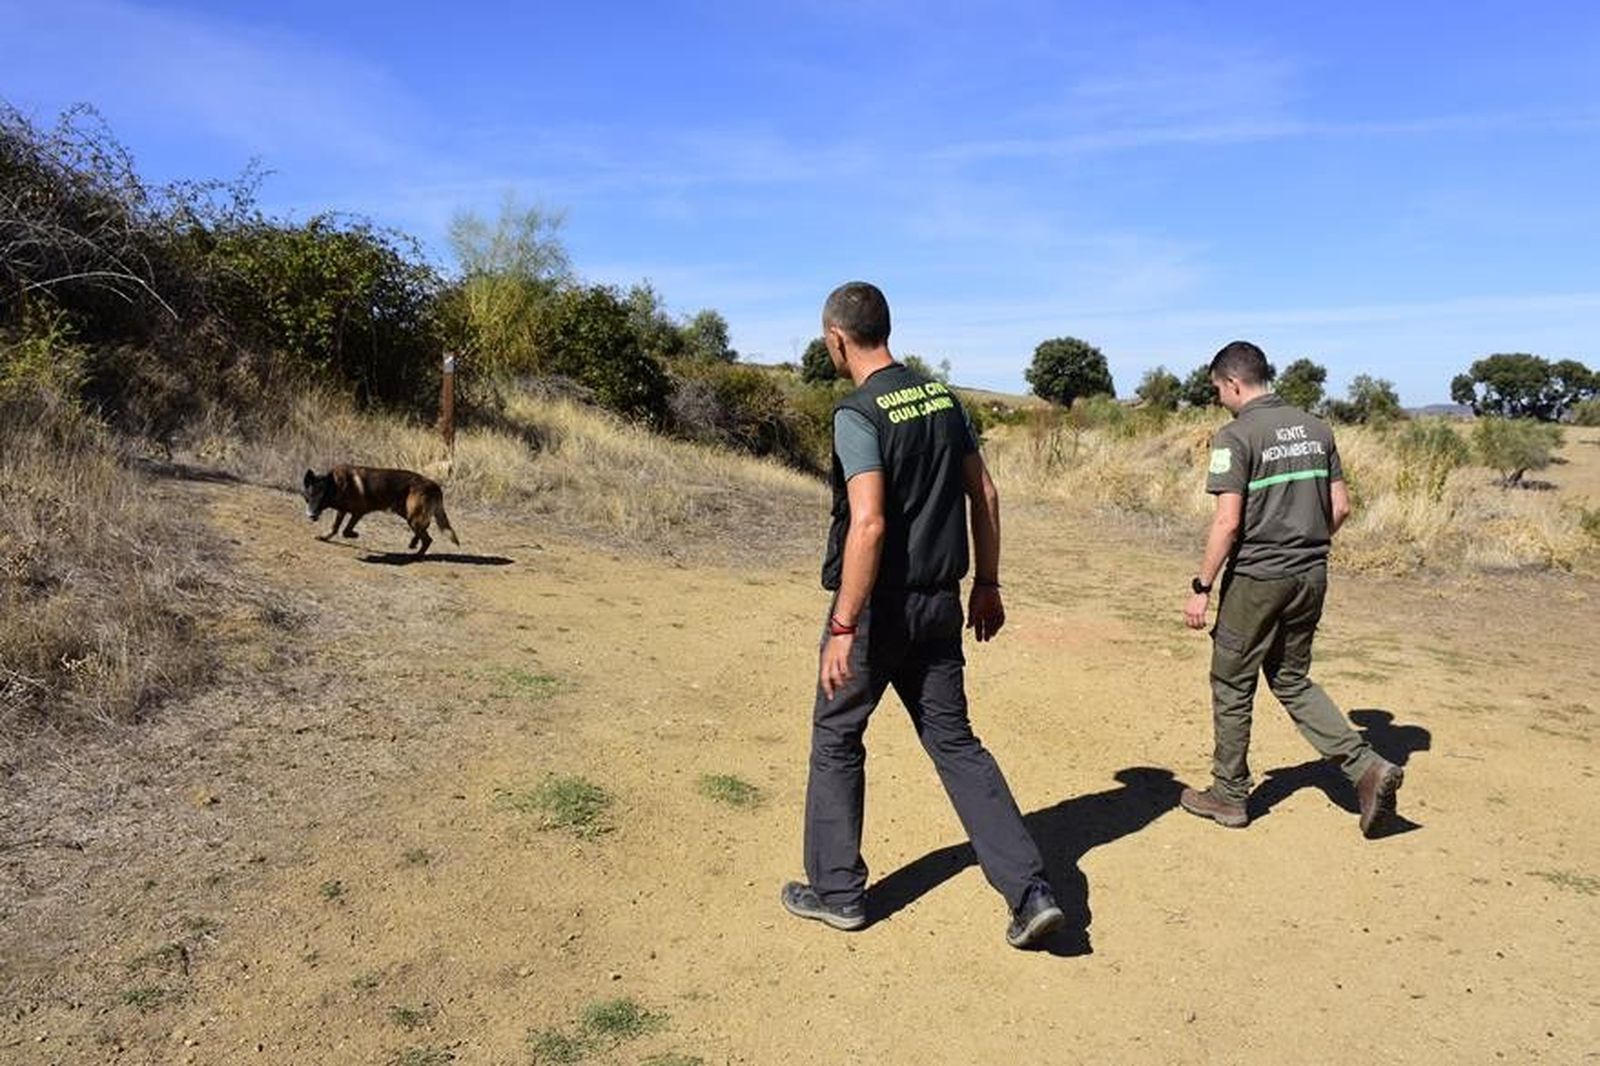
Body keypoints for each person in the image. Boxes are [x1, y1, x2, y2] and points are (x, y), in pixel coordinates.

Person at [780, 282, 1064, 949]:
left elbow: (869, 523)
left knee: (836, 736)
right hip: (940, 604)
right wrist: (986, 582)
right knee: (955, 742)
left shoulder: (858, 413)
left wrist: (844, 625)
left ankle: (838, 893)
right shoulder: (944, 400)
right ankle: (1031, 892)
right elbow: (984, 492)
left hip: (878, 611)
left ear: (836, 339)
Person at [1181, 340, 1404, 836]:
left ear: (1233, 383)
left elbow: (1227, 522)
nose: (1219, 398)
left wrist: (1202, 585)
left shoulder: (1235, 436)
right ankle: (1366, 767)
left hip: (1257, 579)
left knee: (1232, 681)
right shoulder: (1317, 428)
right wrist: (1304, 544)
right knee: (1290, 678)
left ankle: (1229, 794)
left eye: (1218, 389)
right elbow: (1341, 507)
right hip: (1311, 574)